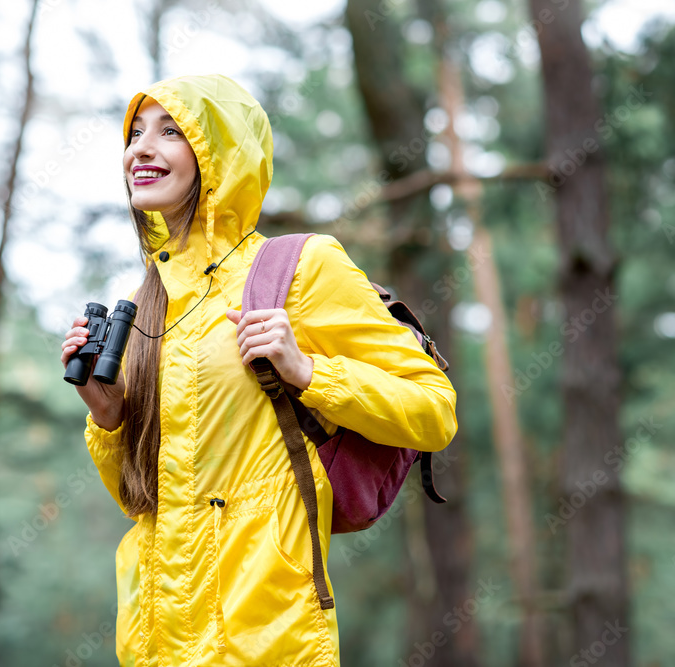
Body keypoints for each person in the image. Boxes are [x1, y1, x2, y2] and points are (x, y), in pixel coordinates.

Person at [60, 73, 457, 666]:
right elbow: (139, 499)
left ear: (221, 154)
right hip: (154, 639)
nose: (141, 148)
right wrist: (109, 415)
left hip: (268, 634)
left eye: (171, 132)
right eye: (135, 133)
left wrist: (309, 372)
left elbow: (433, 411)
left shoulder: (301, 267)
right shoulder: (147, 307)